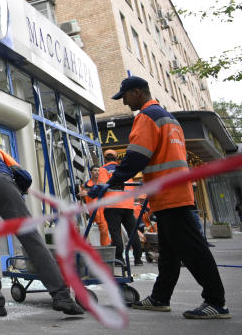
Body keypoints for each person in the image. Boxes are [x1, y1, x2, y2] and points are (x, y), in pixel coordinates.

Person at [90, 76, 230, 319]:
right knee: (169, 252)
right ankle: (160, 297)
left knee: (193, 250)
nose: (123, 102)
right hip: (173, 191)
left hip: (170, 195)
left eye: (125, 96)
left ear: (137, 92)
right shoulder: (168, 118)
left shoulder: (146, 117)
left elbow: (137, 157)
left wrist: (111, 182)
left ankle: (216, 302)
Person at [0, 144, 85, 317]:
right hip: (4, 184)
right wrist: (14, 195)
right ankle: (62, 297)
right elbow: (24, 176)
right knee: (32, 240)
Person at [99, 149, 144, 266]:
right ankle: (138, 259)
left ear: (105, 158)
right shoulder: (124, 170)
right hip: (128, 205)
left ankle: (119, 259)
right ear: (116, 158)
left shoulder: (103, 169)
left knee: (115, 232)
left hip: (112, 205)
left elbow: (102, 186)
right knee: (132, 232)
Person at [82, 166, 112, 247]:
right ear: (91, 172)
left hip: (105, 206)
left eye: (99, 170)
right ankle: (105, 246)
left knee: (112, 226)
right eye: (95, 170)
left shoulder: (103, 183)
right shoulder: (87, 185)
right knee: (103, 227)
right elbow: (82, 194)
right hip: (95, 207)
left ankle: (112, 245)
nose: (97, 172)